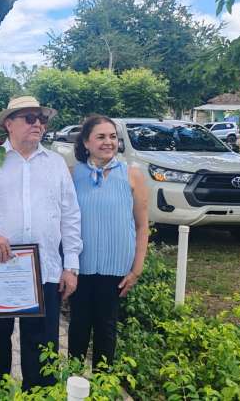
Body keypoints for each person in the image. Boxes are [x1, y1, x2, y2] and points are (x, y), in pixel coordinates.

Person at [0, 95, 82, 390]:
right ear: (9, 124)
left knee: (41, 349)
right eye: (29, 118)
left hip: (46, 271)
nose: (38, 124)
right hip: (0, 272)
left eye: (41, 118)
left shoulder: (55, 164)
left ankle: (37, 396)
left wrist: (71, 267)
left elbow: (70, 217)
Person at [67, 115, 149, 368]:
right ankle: (73, 382)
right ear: (86, 143)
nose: (108, 142)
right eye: (101, 137)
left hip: (115, 269)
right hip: (80, 266)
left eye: (113, 136)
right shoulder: (72, 175)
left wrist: (137, 268)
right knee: (78, 326)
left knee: (106, 328)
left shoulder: (132, 176)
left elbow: (142, 224)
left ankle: (102, 385)